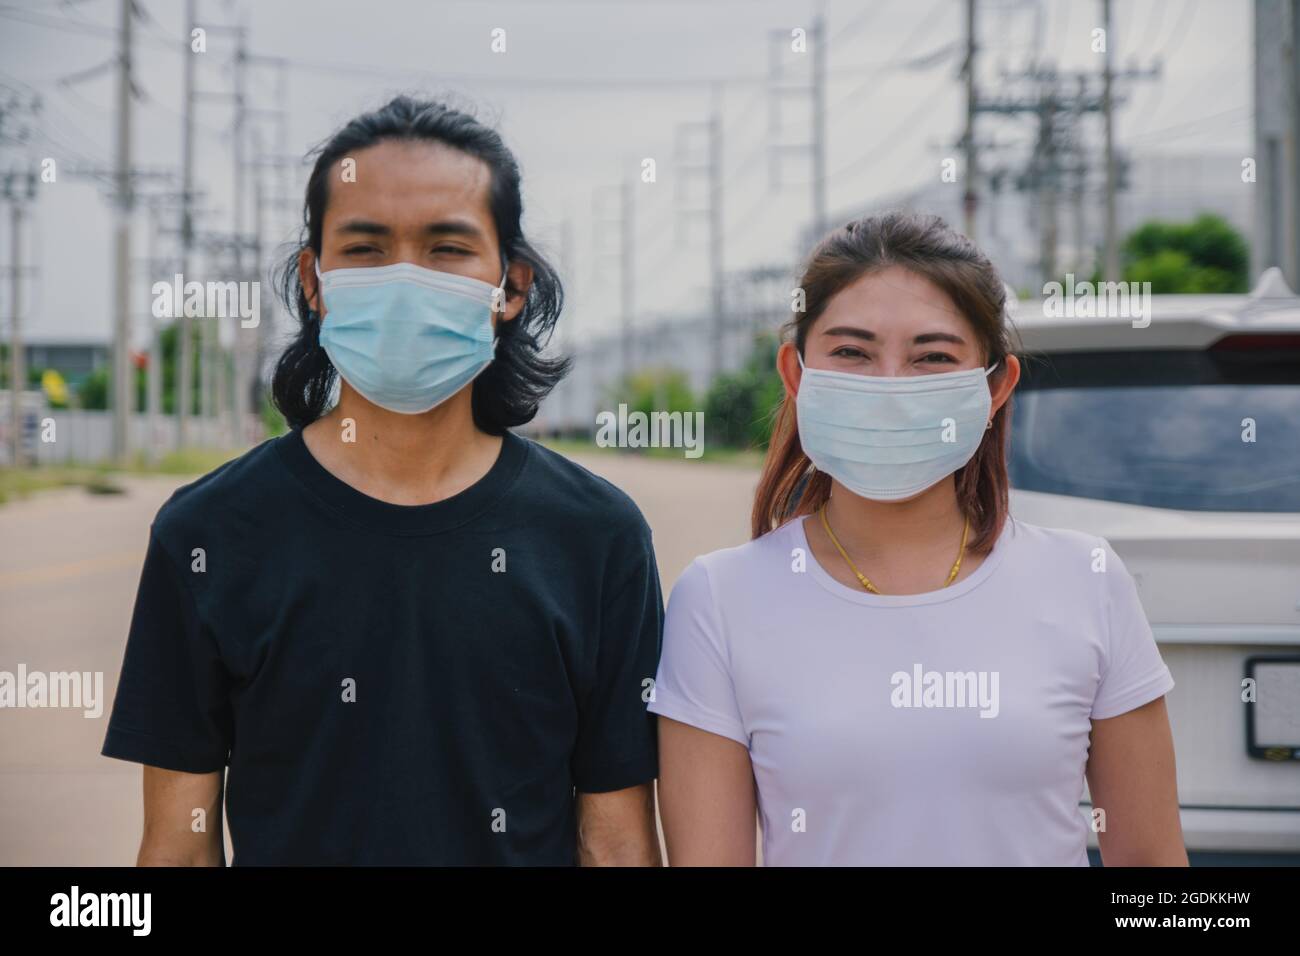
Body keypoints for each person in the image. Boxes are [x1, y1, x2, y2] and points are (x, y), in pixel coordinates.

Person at [101, 96, 663, 866]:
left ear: (512, 285)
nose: (405, 278)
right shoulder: (208, 534)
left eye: (446, 248)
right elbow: (178, 849)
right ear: (314, 280)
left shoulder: (597, 537)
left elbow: (617, 844)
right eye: (365, 248)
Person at [648, 212, 1185, 866]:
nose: (891, 389)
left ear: (995, 389)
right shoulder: (720, 598)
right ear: (796, 375)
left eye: (933, 357)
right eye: (852, 352)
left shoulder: (1087, 578)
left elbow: (1158, 877)